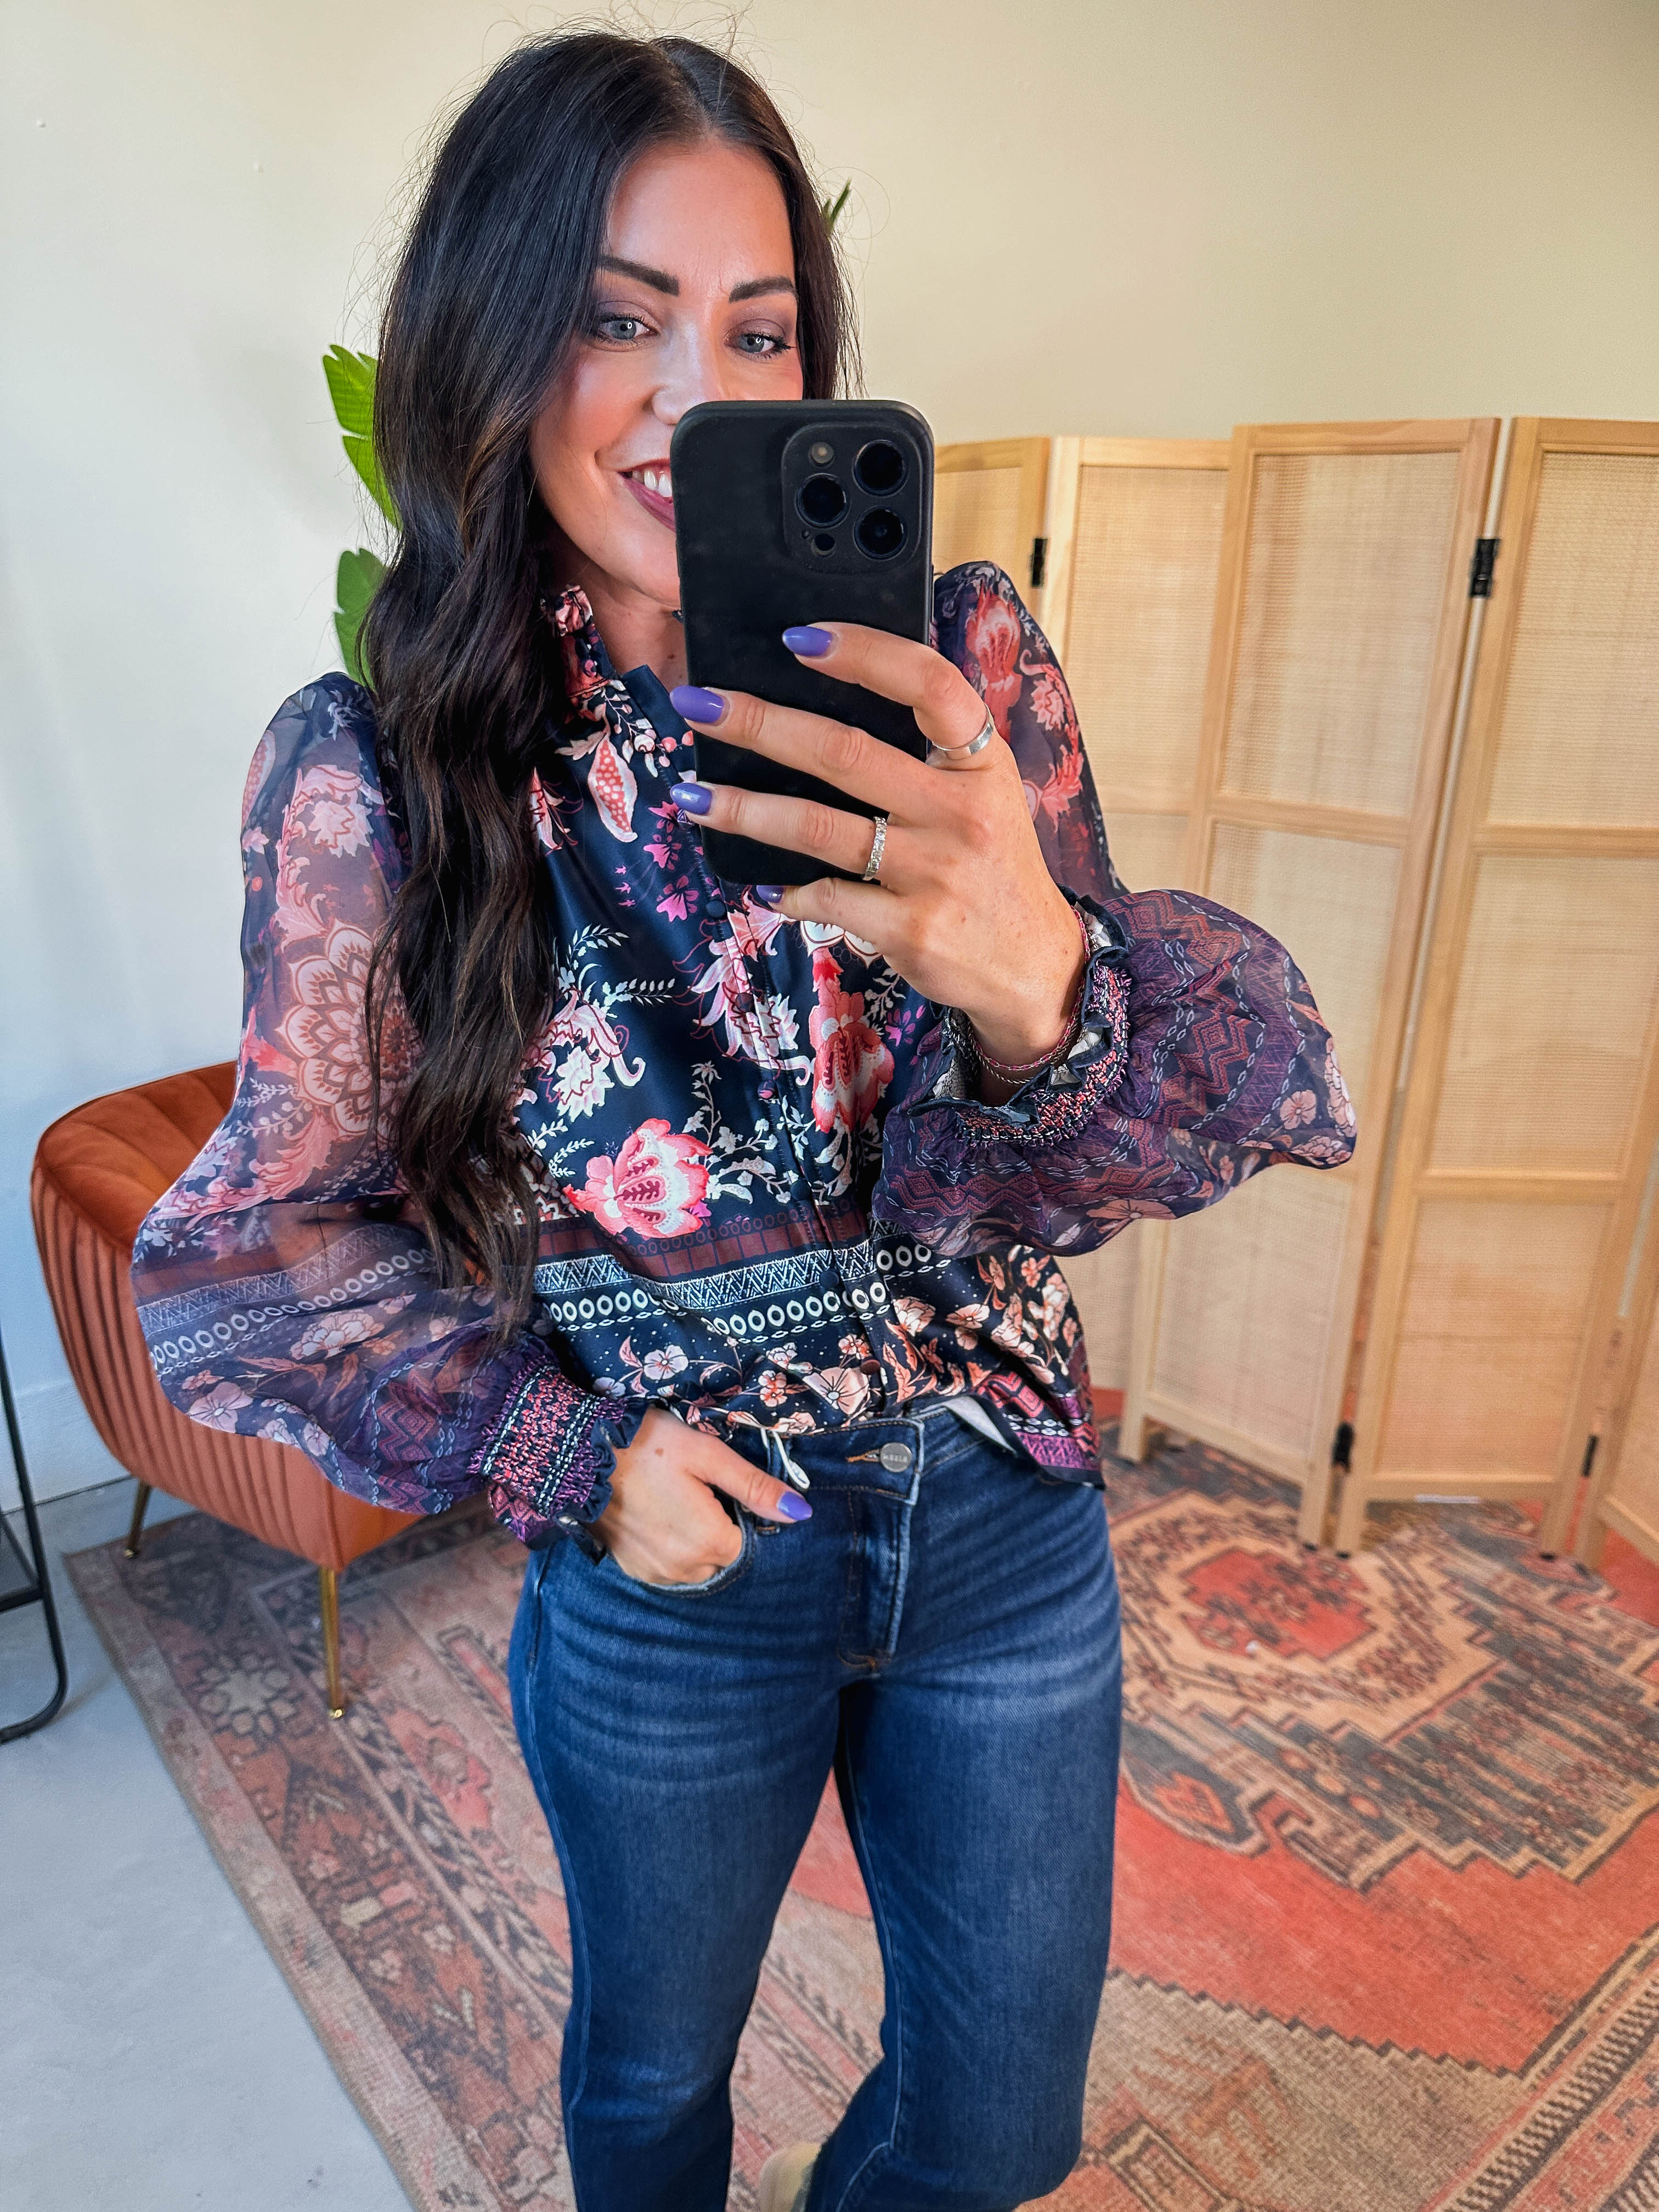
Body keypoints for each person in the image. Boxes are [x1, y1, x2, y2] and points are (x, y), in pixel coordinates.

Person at [132, 30, 1355, 2212]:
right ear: (493, 346)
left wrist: (1039, 990)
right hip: (681, 1558)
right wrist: (570, 1459)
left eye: (761, 331)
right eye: (618, 319)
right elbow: (277, 1241)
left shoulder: (958, 671)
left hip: (1001, 1519)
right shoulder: (384, 771)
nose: (695, 391)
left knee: (995, 2127)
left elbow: (1088, 1169)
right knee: (648, 2082)